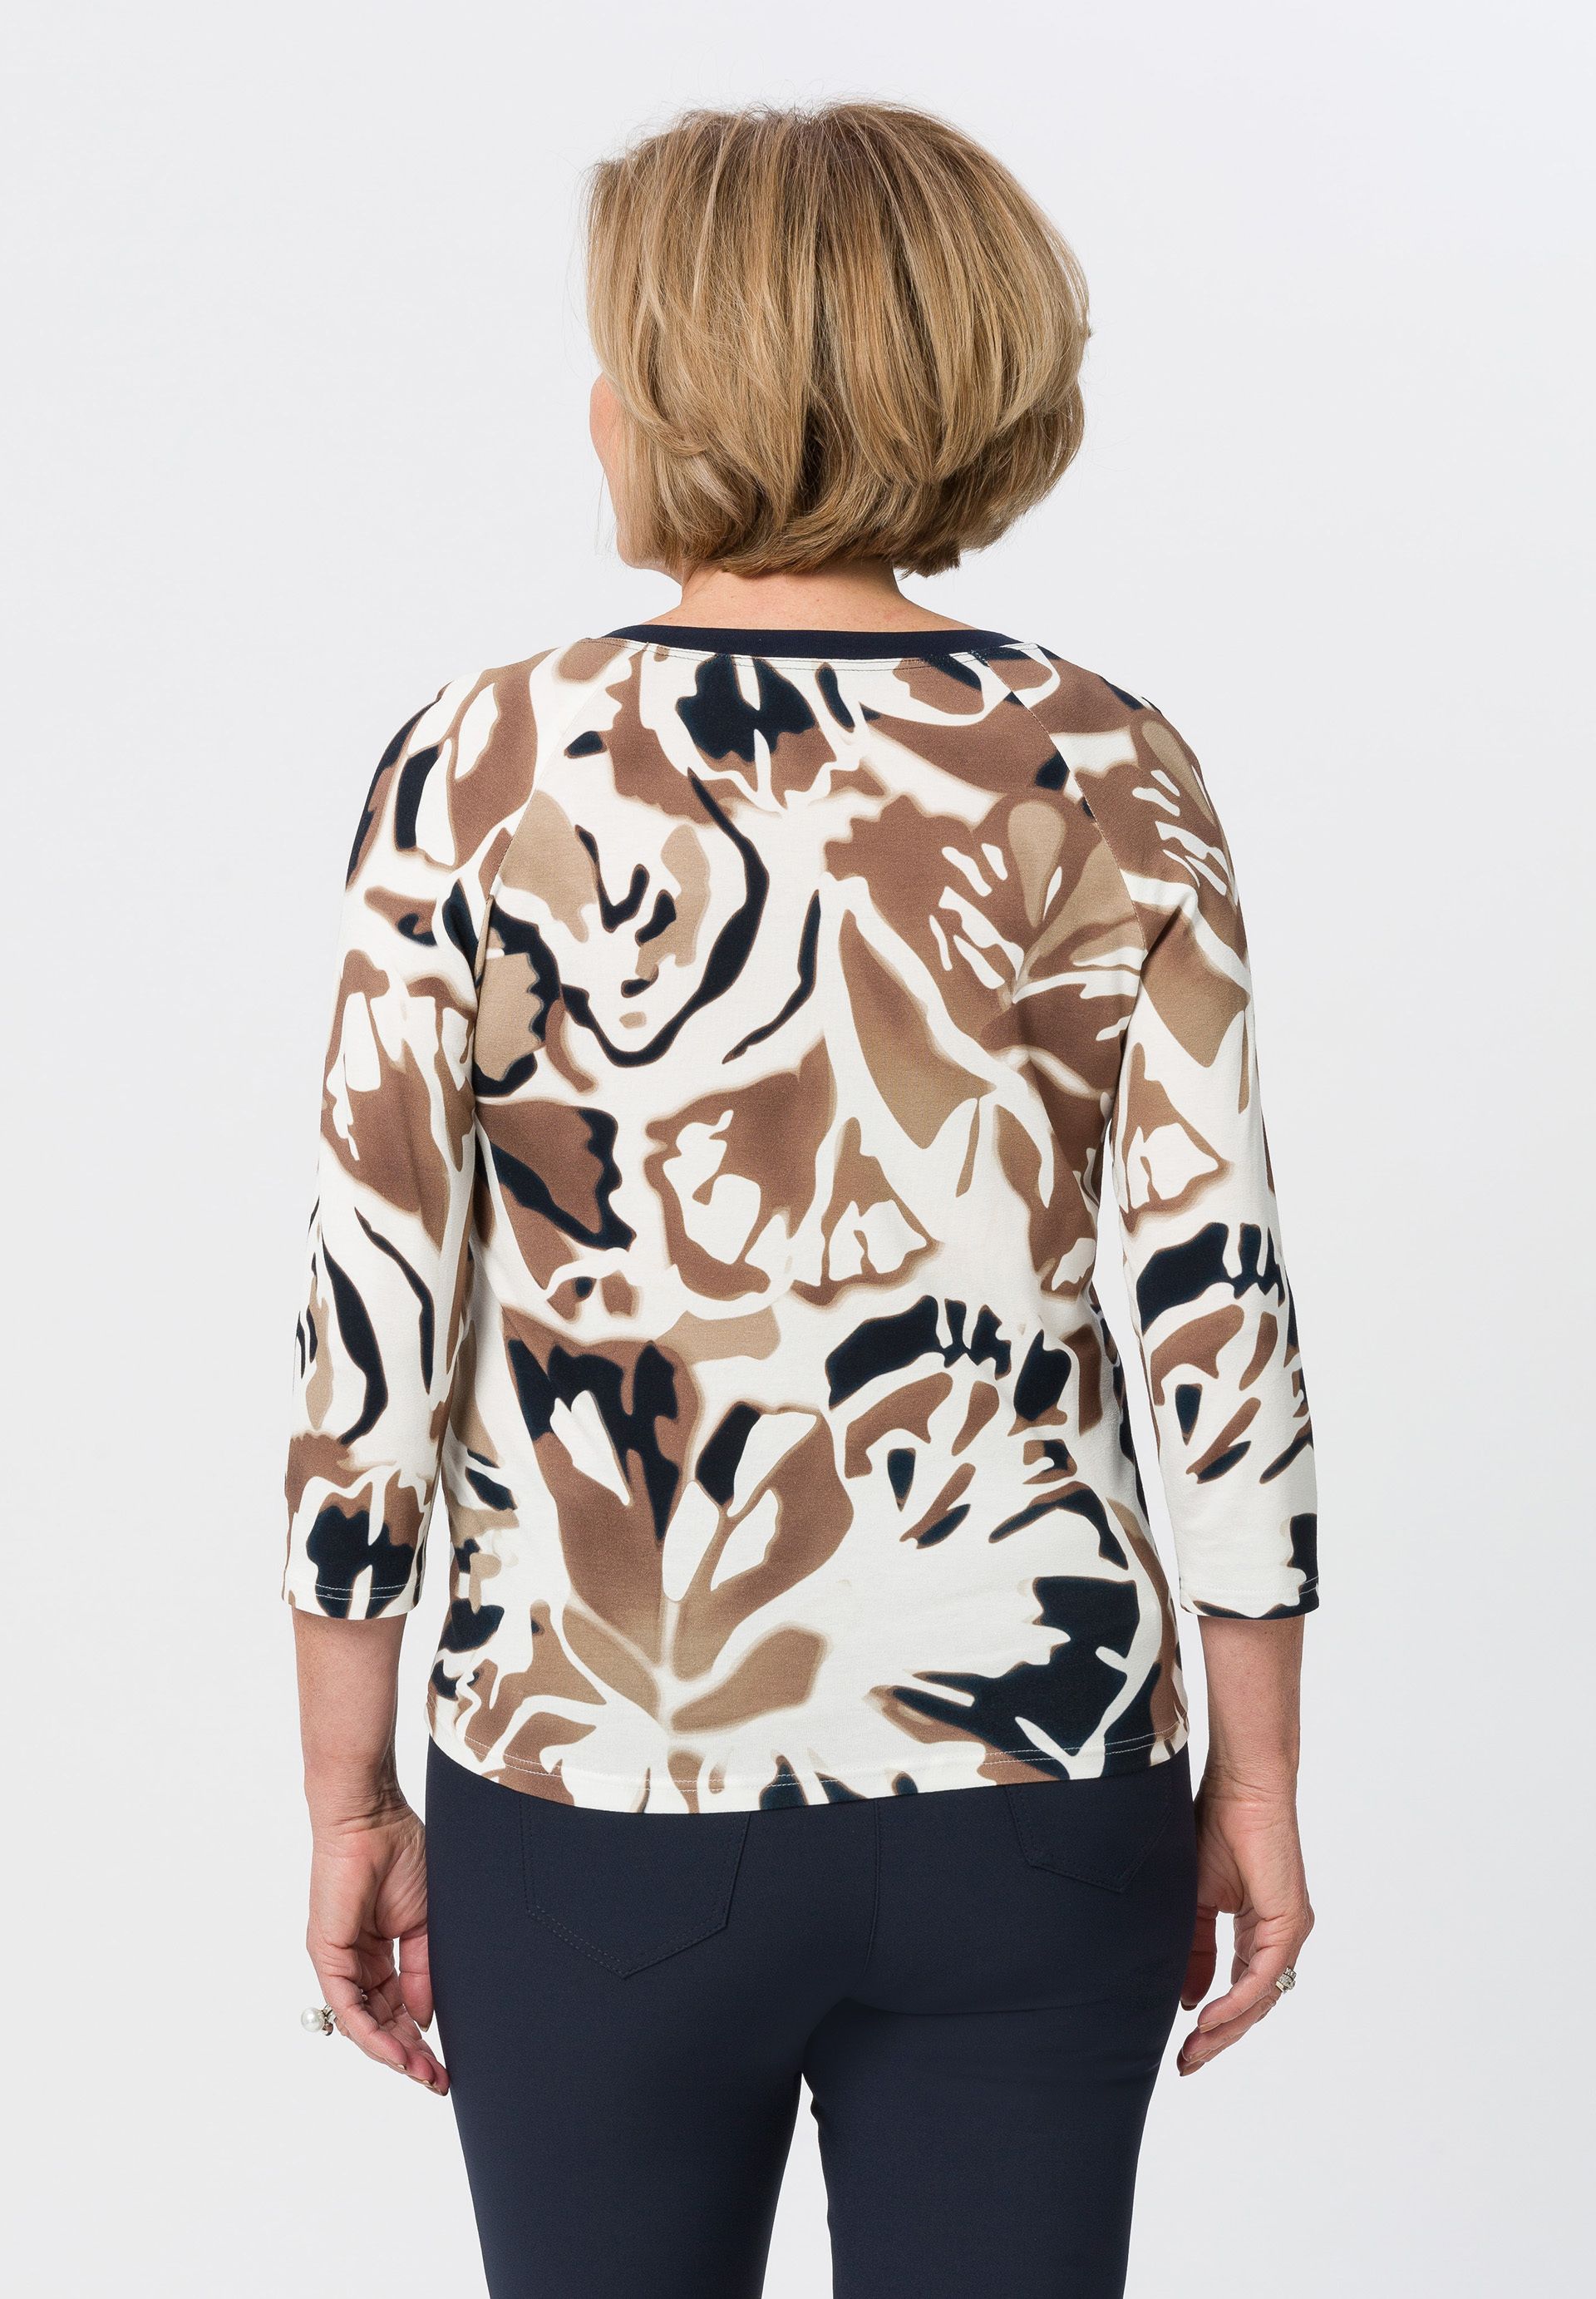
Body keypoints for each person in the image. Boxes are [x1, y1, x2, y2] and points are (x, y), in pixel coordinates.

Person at [284, 99, 1318, 2299]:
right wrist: (1258, 1776)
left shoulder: (481, 761)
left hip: (599, 1786)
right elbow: (1219, 1309)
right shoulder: (1111, 763)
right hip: (1045, 1777)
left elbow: (370, 1329)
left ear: (677, 394)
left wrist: (350, 1795)